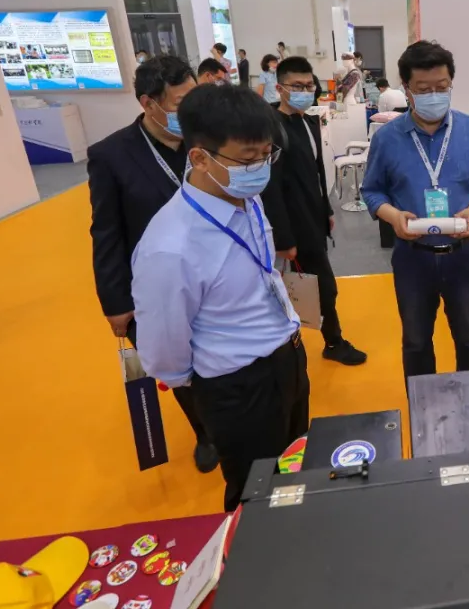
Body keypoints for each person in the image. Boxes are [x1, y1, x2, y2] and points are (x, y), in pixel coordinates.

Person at [132, 83, 308, 512]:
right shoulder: (170, 247)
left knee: (297, 472)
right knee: (254, 495)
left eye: (266, 155)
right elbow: (163, 350)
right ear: (199, 158)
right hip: (238, 387)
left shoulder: (244, 197)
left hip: (288, 358)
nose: (260, 168)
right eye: (247, 160)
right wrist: (216, 383)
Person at [87, 55, 216, 473]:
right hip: (157, 285)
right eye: (180, 102)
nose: (190, 110)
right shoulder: (111, 155)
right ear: (149, 103)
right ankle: (205, 432)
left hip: (214, 274)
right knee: (179, 364)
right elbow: (107, 233)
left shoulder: (208, 139)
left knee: (219, 355)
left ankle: (228, 421)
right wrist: (115, 301)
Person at [360, 41, 469, 381]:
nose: (434, 95)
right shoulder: (387, 138)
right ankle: (423, 403)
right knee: (416, 341)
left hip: (462, 254)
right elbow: (372, 190)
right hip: (413, 256)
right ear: (407, 89)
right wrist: (393, 217)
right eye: (423, 90)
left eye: (442, 87)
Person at [261, 56, 366, 365]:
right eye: (297, 86)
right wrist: (284, 238)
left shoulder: (308, 122)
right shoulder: (271, 128)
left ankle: (325, 340)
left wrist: (327, 210)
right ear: (280, 88)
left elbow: (319, 171)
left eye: (309, 86)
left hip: (313, 217)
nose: (305, 91)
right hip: (293, 224)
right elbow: (271, 189)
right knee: (319, 287)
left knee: (318, 285)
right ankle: (331, 342)